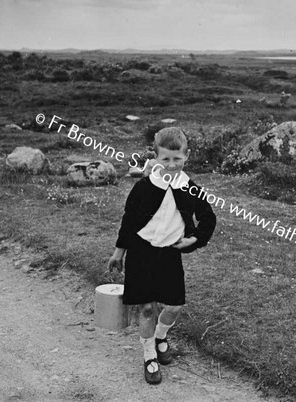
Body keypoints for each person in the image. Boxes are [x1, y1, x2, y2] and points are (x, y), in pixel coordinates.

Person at [108, 127, 216, 385]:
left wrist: (195, 239)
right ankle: (149, 356)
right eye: (165, 159)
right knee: (146, 308)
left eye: (176, 159)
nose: (171, 164)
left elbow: (208, 218)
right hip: (141, 253)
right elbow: (129, 221)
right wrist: (118, 252)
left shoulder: (189, 188)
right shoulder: (143, 188)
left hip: (169, 254)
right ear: (155, 157)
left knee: (174, 305)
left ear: (186, 157)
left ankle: (160, 336)